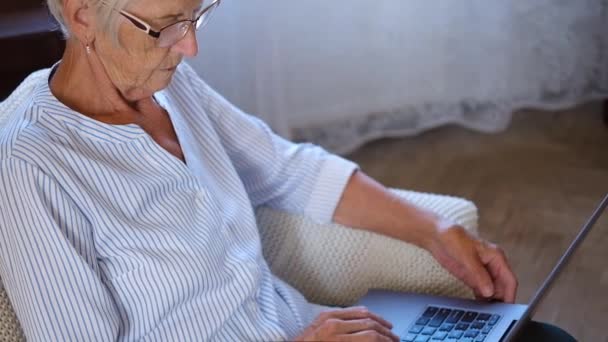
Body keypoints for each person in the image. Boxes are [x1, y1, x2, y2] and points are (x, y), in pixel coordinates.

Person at [0, 0, 572, 341]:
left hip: (311, 326)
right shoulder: (28, 162)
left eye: (198, 13)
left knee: (546, 340)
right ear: (82, 16)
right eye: (168, 24)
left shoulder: (168, 83)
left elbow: (287, 170)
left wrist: (434, 229)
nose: (191, 45)